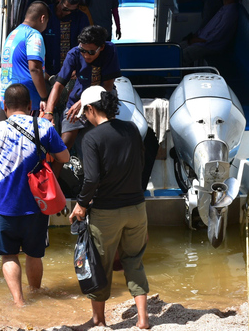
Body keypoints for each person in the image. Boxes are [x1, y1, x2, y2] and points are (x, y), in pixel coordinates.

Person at [0, 83, 70, 307]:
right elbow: (64, 157)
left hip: (6, 205)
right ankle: (36, 293)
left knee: (8, 255)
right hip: (37, 204)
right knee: (34, 254)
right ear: (30, 106)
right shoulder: (44, 127)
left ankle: (19, 302)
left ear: (5, 106)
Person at [68, 86, 149, 329]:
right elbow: (141, 165)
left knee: (99, 266)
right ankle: (144, 320)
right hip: (137, 208)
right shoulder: (132, 129)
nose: (85, 118)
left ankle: (99, 321)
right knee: (134, 261)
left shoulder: (92, 138)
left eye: (85, 113)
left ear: (91, 109)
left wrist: (81, 205)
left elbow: (91, 179)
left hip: (106, 213)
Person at [44, 25, 121, 151]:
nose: (85, 55)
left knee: (104, 143)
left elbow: (107, 86)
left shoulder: (110, 50)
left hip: (102, 99)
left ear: (101, 48)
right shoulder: (73, 54)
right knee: (64, 145)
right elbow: (58, 85)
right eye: (82, 50)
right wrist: (48, 112)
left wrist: (84, 102)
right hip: (77, 100)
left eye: (90, 52)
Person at [0, 1, 50, 122]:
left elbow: (20, 64)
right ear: (43, 18)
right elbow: (34, 68)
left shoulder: (13, 34)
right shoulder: (33, 35)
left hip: (9, 98)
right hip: (27, 100)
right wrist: (44, 97)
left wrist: (48, 77)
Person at [181, 0, 242, 66]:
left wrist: (195, 40)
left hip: (210, 47)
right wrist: (195, 37)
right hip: (203, 42)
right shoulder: (224, 9)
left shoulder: (230, 13)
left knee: (182, 55)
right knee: (177, 47)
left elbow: (214, 37)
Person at [43, 0, 90, 77]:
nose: (68, 13)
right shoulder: (46, 13)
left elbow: (86, 45)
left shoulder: (81, 17)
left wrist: (79, 68)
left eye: (72, 11)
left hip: (72, 72)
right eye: (65, 9)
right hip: (47, 71)